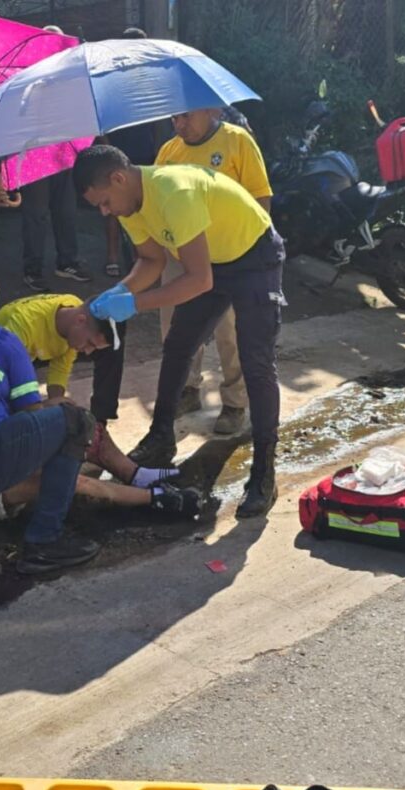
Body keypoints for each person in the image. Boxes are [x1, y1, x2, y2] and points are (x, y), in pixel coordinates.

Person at [74, 145, 286, 518]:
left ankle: (264, 471)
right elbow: (151, 260)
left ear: (119, 178)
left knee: (256, 362)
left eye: (105, 202)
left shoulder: (174, 193)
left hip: (254, 256)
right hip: (214, 261)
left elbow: (199, 280)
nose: (105, 211)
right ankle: (161, 437)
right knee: (178, 345)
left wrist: (135, 303)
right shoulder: (130, 204)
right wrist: (121, 290)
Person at [0, 324, 199, 574]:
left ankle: (141, 480)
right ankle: (45, 541)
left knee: (76, 431)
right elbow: (82, 482)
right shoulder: (2, 340)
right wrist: (156, 498)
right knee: (78, 424)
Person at [154, 106, 274, 435]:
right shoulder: (169, 152)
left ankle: (235, 403)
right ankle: (187, 390)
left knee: (230, 331)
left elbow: (260, 200)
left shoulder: (238, 141)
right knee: (175, 329)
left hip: (230, 254)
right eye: (174, 118)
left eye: (186, 116)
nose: (180, 124)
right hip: (181, 252)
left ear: (211, 110)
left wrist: (254, 251)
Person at [16, 24, 92, 291]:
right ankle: (33, 268)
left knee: (66, 212)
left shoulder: (69, 78)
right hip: (34, 158)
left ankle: (67, 261)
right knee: (36, 215)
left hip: (63, 155)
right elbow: (20, 115)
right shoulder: (26, 76)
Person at [0, 293, 125, 424]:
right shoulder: (23, 325)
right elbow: (15, 386)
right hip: (1, 357)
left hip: (37, 349)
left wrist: (59, 405)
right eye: (90, 343)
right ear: (80, 321)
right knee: (12, 412)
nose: (88, 351)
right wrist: (42, 406)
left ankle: (100, 422)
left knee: (112, 351)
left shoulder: (75, 317)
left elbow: (61, 367)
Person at [101, 26, 159, 278]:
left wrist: (156, 147)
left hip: (144, 149)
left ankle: (141, 255)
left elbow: (155, 118)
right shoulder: (110, 79)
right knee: (112, 205)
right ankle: (112, 255)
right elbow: (102, 120)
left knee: (142, 204)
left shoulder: (149, 77)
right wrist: (107, 147)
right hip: (116, 149)